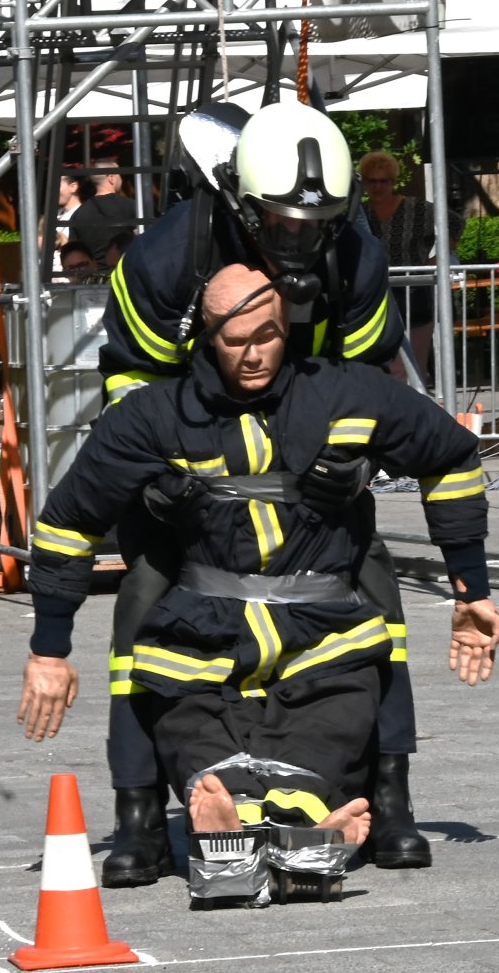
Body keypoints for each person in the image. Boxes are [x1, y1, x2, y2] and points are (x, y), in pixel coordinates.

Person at [20, 265, 499, 898]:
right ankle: (257, 822)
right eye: (234, 339)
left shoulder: (350, 395)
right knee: (192, 724)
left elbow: (450, 456)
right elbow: (67, 523)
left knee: (329, 726)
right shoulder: (151, 416)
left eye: (268, 336)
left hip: (324, 631)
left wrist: (471, 590)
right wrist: (49, 649)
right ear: (203, 338)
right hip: (201, 629)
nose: (253, 355)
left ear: (289, 330)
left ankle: (266, 826)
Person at [93, 99, 430, 887]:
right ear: (241, 205)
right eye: (281, 224)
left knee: (379, 592)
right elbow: (128, 384)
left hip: (310, 467)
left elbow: (364, 382)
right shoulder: (166, 259)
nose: (303, 240)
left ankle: (392, 794)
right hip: (191, 467)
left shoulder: (357, 255)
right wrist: (159, 482)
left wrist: (360, 462)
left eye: (319, 222)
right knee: (140, 603)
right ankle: (138, 812)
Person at [356, 150, 438, 384]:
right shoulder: (360, 212)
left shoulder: (417, 208)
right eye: (372, 180)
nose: (378, 186)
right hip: (376, 292)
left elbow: (454, 223)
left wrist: (435, 260)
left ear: (393, 181)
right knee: (386, 365)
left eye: (384, 181)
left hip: (414, 293)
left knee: (416, 364)